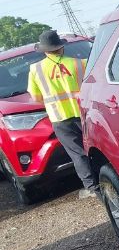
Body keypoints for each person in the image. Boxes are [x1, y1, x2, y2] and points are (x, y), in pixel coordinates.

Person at [26, 29, 98, 199]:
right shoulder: (80, 63)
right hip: (85, 114)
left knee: (77, 154)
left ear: (44, 50)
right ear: (61, 47)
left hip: (60, 119)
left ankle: (93, 187)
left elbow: (36, 97)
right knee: (97, 148)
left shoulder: (36, 69)